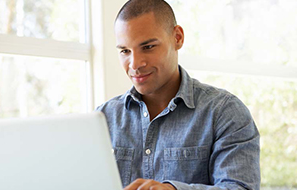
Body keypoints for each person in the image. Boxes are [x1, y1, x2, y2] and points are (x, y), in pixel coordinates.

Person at [96, 0, 260, 189]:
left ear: (177, 38)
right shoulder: (103, 118)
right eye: (125, 51)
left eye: (148, 47)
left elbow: (240, 187)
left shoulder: (225, 112)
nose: (134, 64)